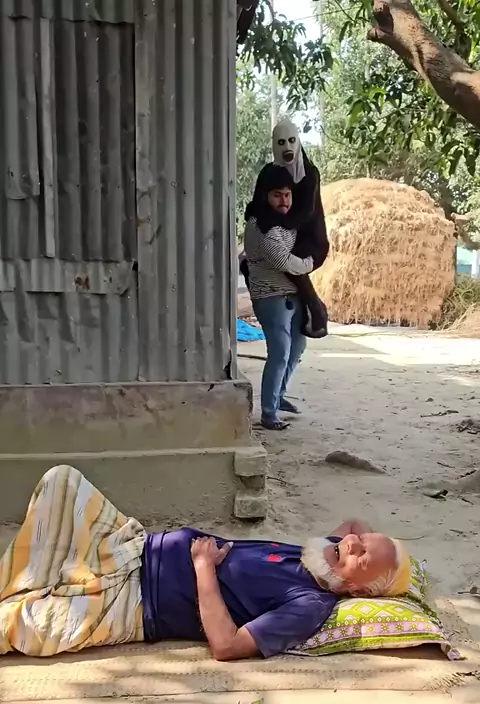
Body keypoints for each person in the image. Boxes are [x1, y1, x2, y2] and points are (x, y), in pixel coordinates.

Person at [0, 466, 412, 660]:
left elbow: (227, 646)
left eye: (360, 555)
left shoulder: (309, 605)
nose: (351, 542)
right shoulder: (324, 555)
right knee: (62, 482)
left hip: (132, 605)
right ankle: (27, 581)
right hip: (133, 547)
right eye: (358, 542)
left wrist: (203, 568)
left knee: (16, 625)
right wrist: (377, 552)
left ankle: (33, 591)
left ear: (358, 589)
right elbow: (354, 526)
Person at [243, 118, 330, 338]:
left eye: (292, 141)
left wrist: (272, 224)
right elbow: (254, 208)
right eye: (281, 142)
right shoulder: (267, 173)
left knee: (289, 262)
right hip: (280, 239)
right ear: (274, 145)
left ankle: (315, 307)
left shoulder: (309, 174)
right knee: (251, 263)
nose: (287, 147)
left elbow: (305, 214)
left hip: (309, 241)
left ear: (298, 141)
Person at [243, 165, 314, 430]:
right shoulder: (260, 225)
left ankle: (278, 395)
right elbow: (284, 261)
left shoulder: (287, 222)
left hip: (292, 295)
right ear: (264, 195)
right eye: (276, 195)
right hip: (270, 298)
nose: (283, 201)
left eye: (287, 195)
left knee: (297, 347)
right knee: (280, 351)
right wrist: (310, 262)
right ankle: (269, 413)